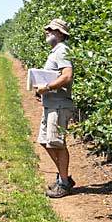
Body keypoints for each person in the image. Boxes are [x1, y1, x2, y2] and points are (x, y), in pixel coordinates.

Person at [34, 18, 75, 198]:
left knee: (57, 144)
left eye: (50, 30)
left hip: (58, 105)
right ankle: (63, 177)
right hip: (50, 104)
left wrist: (48, 87)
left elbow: (67, 76)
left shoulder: (62, 51)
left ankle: (64, 183)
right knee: (45, 141)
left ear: (60, 34)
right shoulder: (54, 52)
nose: (47, 32)